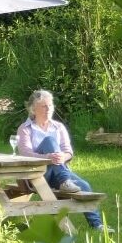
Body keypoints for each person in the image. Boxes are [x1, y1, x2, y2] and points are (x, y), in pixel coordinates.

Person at [15, 89, 104, 230]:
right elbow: (26, 154)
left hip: (57, 173)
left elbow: (68, 151)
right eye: (44, 106)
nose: (48, 109)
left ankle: (97, 225)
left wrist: (63, 156)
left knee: (85, 186)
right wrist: (48, 157)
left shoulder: (58, 127)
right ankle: (65, 181)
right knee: (49, 141)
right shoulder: (25, 129)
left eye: (50, 105)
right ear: (33, 109)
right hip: (37, 175)